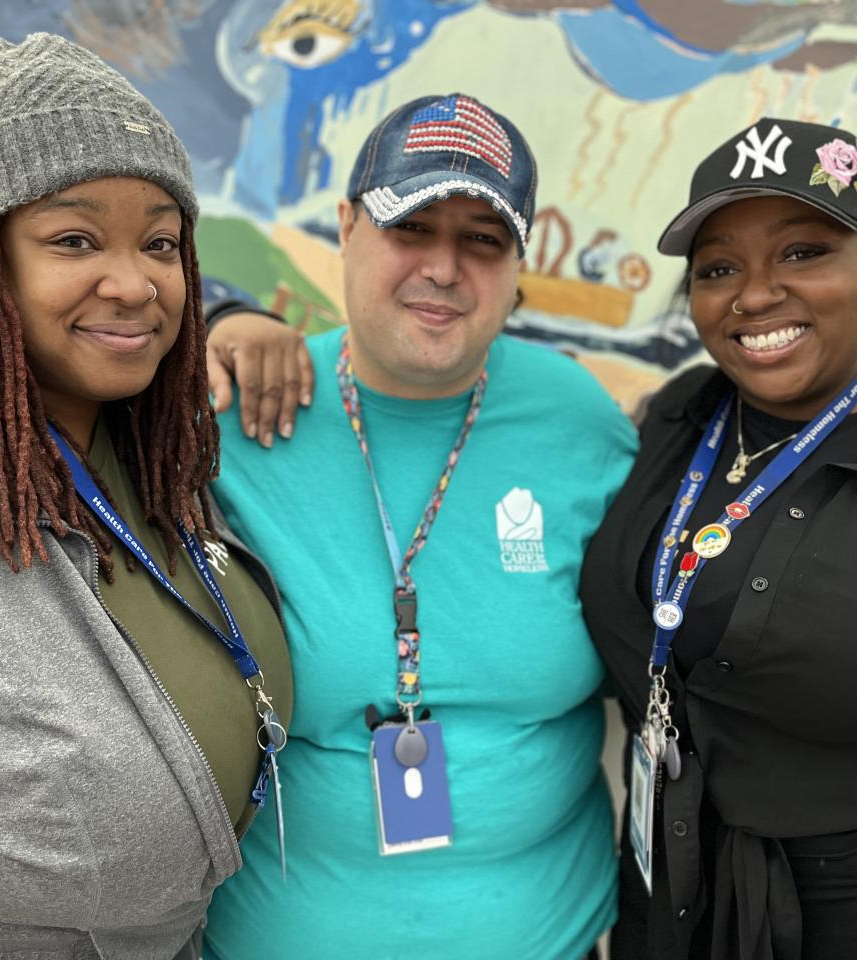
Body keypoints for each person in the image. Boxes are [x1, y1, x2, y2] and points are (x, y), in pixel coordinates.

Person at [202, 94, 638, 960]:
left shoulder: (581, 422)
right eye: (412, 227)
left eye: (482, 239)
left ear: (518, 265)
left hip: (550, 936)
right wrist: (214, 313)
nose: (444, 267)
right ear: (347, 227)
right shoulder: (234, 417)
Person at [0, 33, 292, 959]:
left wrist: (234, 316)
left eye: (160, 242)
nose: (135, 281)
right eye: (74, 239)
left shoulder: (144, 435)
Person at [580, 117, 857, 960]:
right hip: (662, 888)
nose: (755, 294)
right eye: (719, 268)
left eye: (804, 252)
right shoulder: (678, 415)